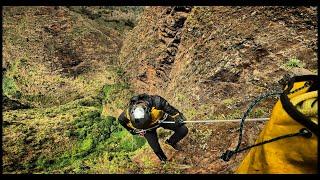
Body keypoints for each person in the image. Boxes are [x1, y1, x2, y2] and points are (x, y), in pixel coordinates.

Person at [118, 93, 188, 162]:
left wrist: (179, 117)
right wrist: (131, 131)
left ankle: (170, 142)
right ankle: (165, 161)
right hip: (148, 130)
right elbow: (121, 120)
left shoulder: (156, 102)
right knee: (156, 149)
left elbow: (171, 110)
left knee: (183, 130)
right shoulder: (127, 113)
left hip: (161, 120)